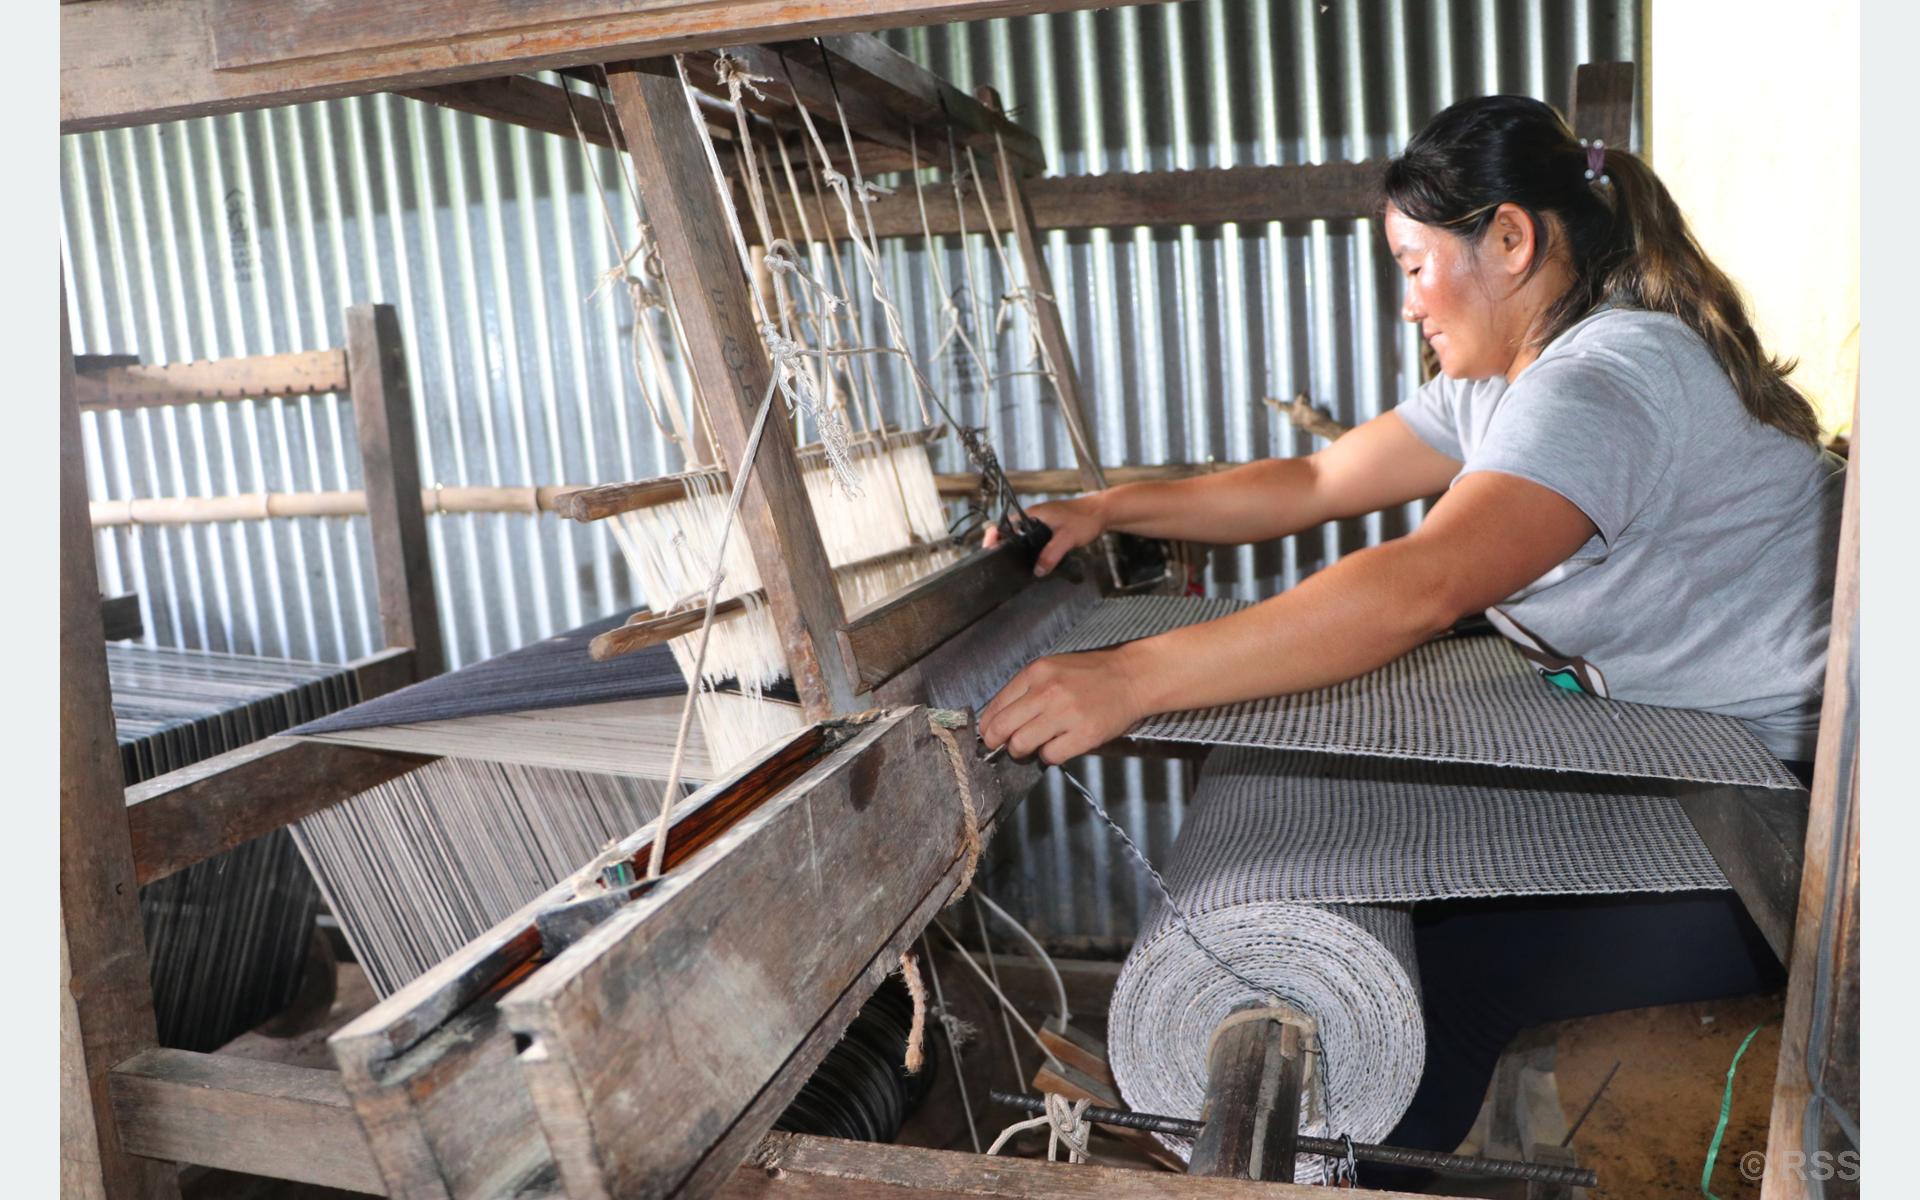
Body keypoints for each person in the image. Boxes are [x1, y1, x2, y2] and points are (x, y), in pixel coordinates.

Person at [979, 94, 1845, 1171]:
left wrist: (1136, 677)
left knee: (1458, 983)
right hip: (1727, 768)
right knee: (1431, 934)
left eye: (1413, 263)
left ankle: (1340, 1175)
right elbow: (1316, 477)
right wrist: (1110, 509)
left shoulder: (1603, 383)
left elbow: (1421, 585)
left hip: (1822, 823)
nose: (1407, 306)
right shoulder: (1500, 387)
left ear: (1512, 242)